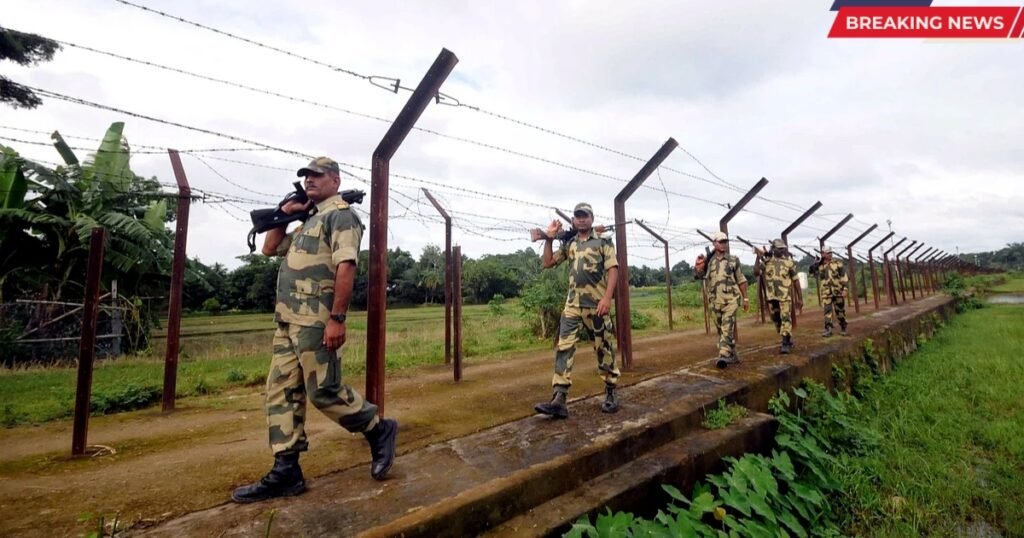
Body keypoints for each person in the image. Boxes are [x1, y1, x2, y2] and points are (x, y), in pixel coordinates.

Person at [232, 157, 397, 504]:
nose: (309, 181)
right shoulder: (309, 220)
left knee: (323, 390)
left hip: (316, 321)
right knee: (280, 393)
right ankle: (286, 469)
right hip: (287, 321)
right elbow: (269, 248)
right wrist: (286, 212)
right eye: (306, 176)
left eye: (317, 176)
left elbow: (346, 266)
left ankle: (378, 428)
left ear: (335, 181)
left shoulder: (341, 216)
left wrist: (337, 317)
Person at [533, 202, 621, 419]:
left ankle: (610, 392)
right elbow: (548, 262)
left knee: (604, 348)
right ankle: (559, 399)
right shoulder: (570, 243)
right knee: (564, 347)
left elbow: (613, 270)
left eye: (585, 216)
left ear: (591, 218)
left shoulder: (603, 241)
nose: (581, 219)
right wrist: (549, 238)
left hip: (597, 305)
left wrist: (607, 298)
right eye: (578, 216)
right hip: (572, 305)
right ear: (573, 220)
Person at [694, 231, 749, 367]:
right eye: (721, 241)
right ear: (714, 243)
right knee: (721, 330)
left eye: (725, 242)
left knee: (727, 326)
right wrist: (698, 267)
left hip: (731, 299)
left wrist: (745, 298)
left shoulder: (733, 260)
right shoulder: (709, 262)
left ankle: (723, 356)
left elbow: (741, 280)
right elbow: (699, 276)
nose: (723, 244)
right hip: (715, 301)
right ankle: (733, 354)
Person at [754, 239, 803, 354]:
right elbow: (756, 272)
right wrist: (757, 257)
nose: (781, 250)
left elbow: (796, 281)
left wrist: (800, 298)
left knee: (785, 317)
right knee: (776, 319)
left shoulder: (789, 263)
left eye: (783, 248)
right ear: (773, 249)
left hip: (784, 296)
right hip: (771, 297)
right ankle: (787, 337)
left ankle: (785, 343)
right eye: (779, 248)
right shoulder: (766, 262)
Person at [809, 245, 849, 337]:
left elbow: (844, 276)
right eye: (828, 253)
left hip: (838, 291)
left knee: (840, 311)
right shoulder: (820, 266)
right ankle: (828, 329)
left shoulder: (837, 263)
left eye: (831, 253)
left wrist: (845, 289)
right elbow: (812, 274)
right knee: (827, 311)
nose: (830, 254)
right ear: (823, 254)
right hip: (826, 292)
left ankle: (843, 327)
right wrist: (814, 264)